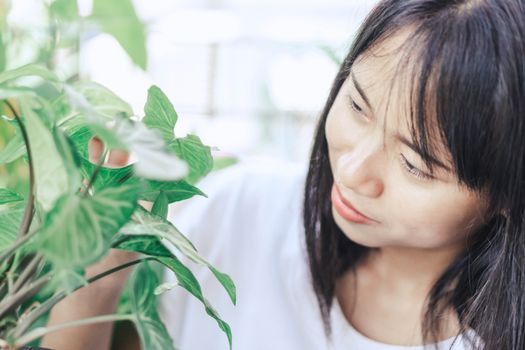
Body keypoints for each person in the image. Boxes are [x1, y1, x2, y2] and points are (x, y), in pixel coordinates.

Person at [42, 0, 525, 349]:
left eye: (414, 163)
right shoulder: (241, 210)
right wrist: (96, 279)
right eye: (357, 105)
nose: (354, 172)